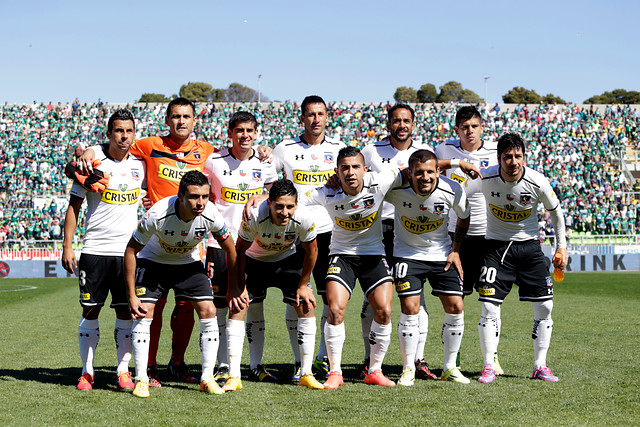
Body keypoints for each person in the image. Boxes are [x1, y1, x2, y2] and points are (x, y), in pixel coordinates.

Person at [79, 98, 270, 387]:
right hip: (156, 239)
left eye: (187, 117)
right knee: (151, 308)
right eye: (176, 117)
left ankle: (178, 364)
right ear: (167, 120)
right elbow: (114, 147)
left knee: (185, 309)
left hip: (190, 243)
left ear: (195, 121)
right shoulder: (147, 144)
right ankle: (150, 367)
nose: (181, 122)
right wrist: (87, 151)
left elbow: (238, 160)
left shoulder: (206, 151)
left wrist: (261, 153)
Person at [124, 171, 237, 398]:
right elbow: (130, 251)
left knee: (209, 310)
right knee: (145, 312)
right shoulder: (157, 213)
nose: (200, 202)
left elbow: (230, 248)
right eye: (195, 197)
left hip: (187, 262)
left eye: (205, 196)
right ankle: (141, 379)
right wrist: (131, 295)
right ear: (180, 197)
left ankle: (206, 378)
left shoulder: (211, 214)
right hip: (153, 261)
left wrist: (235, 285)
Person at [465, 132, 568, 383]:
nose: (513, 161)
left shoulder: (537, 181)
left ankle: (540, 366)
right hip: (496, 249)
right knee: (489, 306)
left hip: (530, 249)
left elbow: (557, 214)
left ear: (524, 157)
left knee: (545, 306)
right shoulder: (485, 177)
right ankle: (489, 365)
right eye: (507, 157)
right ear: (498, 159)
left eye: (518, 156)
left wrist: (561, 247)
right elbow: (459, 196)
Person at [300, 146, 402, 389]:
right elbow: (293, 198)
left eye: (356, 166)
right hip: (341, 256)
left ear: (365, 169)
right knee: (335, 310)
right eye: (344, 167)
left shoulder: (381, 180)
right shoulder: (327, 192)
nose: (350, 172)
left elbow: (418, 169)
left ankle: (374, 370)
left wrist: (455, 164)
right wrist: (262, 197)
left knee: (384, 311)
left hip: (373, 256)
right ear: (336, 171)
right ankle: (335, 371)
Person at [61, 109, 145, 391]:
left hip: (128, 254)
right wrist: (67, 245)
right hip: (95, 250)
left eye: (129, 131)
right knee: (91, 311)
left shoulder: (140, 166)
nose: (124, 136)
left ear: (134, 134)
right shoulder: (92, 164)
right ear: (109, 133)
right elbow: (74, 207)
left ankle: (123, 371)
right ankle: (87, 372)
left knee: (126, 314)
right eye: (119, 131)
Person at [360, 103, 437, 380]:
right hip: (378, 229)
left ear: (413, 124)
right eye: (396, 120)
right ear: (388, 123)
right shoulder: (372, 150)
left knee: (418, 299)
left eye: (406, 120)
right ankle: (369, 361)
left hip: (414, 229)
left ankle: (419, 360)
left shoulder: (426, 150)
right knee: (373, 299)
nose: (401, 125)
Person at [270, 95, 344, 379]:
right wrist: (265, 153)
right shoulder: (285, 149)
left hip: (330, 233)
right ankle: (300, 360)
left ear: (327, 117)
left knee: (329, 298)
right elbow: (267, 176)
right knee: (296, 298)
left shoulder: (338, 149)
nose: (316, 119)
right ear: (302, 118)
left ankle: (324, 358)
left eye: (320, 114)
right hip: (294, 234)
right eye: (310, 114)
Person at [224, 179, 324, 391]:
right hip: (254, 261)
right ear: (269, 203)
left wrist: (304, 284)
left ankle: (305, 372)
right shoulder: (254, 216)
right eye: (279, 206)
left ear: (296, 205)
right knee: (239, 306)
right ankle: (236, 374)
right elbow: (239, 250)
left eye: (289, 206)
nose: (285, 212)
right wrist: (238, 285)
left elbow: (312, 251)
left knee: (306, 304)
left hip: (287, 260)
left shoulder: (304, 217)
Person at [202, 111, 277, 384]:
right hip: (219, 243)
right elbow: (197, 189)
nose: (245, 135)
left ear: (256, 133)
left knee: (254, 304)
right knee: (220, 305)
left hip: (253, 245)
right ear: (230, 133)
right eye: (239, 130)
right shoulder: (213, 161)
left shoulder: (266, 162)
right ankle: (223, 365)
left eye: (249, 130)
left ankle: (256, 365)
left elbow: (275, 193)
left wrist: (261, 194)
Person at [385, 150, 471, 386]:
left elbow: (465, 216)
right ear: (409, 173)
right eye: (419, 172)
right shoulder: (396, 190)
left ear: (438, 172)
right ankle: (408, 368)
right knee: (410, 308)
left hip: (442, 255)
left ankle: (450, 367)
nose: (425, 177)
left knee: (456, 306)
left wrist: (455, 250)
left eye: (430, 172)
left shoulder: (453, 189)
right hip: (407, 256)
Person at [435, 105, 501, 372]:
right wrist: (455, 163)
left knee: (491, 301)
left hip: (490, 236)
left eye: (474, 126)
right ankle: (454, 356)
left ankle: (492, 356)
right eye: (464, 127)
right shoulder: (445, 150)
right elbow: (424, 165)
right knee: (455, 302)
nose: (469, 131)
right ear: (457, 130)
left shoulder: (496, 150)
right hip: (454, 237)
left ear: (482, 127)